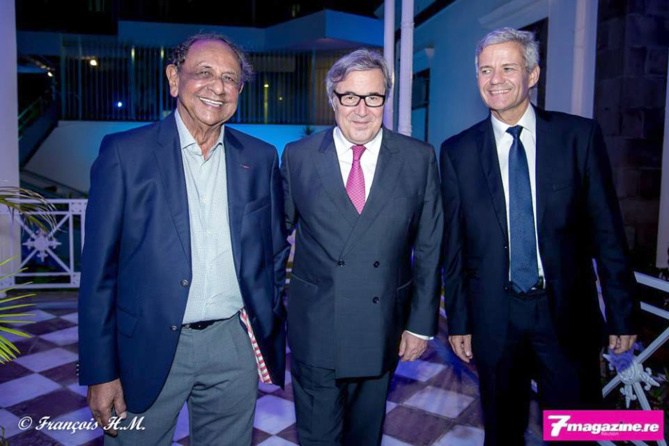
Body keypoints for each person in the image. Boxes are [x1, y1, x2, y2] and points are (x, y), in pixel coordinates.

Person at [78, 33, 289, 445]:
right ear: (175, 79)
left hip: (232, 344)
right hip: (145, 346)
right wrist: (100, 371)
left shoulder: (260, 157)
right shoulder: (124, 154)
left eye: (230, 78)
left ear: (240, 91)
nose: (218, 87)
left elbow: (274, 250)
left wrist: (262, 318)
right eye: (204, 73)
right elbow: (99, 273)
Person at [440, 27, 638, 445]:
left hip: (566, 316)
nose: (495, 79)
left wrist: (622, 312)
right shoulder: (457, 152)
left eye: (508, 68)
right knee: (502, 433)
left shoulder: (578, 137)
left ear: (532, 74)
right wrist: (459, 320)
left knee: (574, 433)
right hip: (495, 319)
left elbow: (608, 232)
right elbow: (454, 247)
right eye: (485, 70)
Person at [281, 48, 443, 446]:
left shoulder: (418, 158)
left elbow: (429, 247)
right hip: (316, 326)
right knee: (318, 438)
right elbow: (273, 239)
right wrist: (267, 314)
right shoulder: (298, 156)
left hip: (381, 325)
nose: (361, 109)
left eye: (373, 97)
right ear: (332, 99)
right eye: (350, 96)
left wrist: (420, 324)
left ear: (386, 99)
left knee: (365, 437)